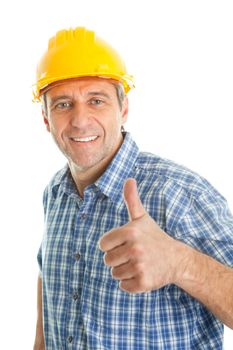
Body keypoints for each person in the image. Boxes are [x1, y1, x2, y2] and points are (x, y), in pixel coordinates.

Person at [33, 26, 233, 350]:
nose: (80, 120)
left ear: (123, 109)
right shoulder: (55, 193)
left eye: (96, 101)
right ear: (45, 118)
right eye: (63, 105)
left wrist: (180, 263)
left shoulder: (178, 193)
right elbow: (48, 285)